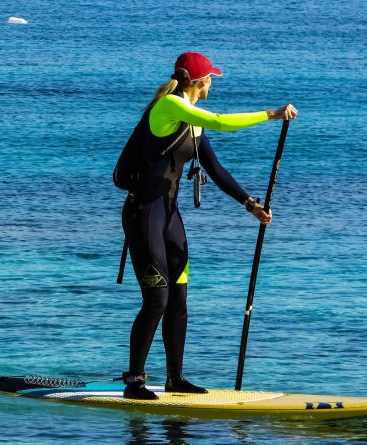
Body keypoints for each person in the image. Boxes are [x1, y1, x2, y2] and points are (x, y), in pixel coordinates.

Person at [121, 51, 297, 399]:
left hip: (169, 216)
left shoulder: (193, 120)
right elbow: (220, 120)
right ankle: (134, 382)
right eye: (211, 78)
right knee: (156, 299)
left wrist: (249, 204)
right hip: (144, 215)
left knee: (179, 299)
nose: (213, 82)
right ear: (198, 82)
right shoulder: (170, 106)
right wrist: (271, 114)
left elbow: (214, 169)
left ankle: (175, 379)